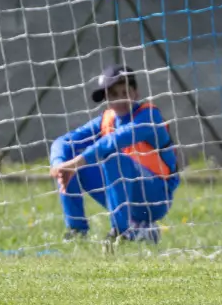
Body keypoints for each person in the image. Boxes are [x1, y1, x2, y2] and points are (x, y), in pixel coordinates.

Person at [49, 65, 180, 243]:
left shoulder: (149, 116)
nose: (119, 100)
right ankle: (77, 232)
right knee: (69, 161)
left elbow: (114, 141)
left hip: (156, 197)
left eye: (124, 92)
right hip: (124, 196)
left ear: (135, 93)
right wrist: (59, 164)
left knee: (112, 158)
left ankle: (120, 231)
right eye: (113, 95)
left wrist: (77, 161)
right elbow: (62, 142)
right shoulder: (107, 119)